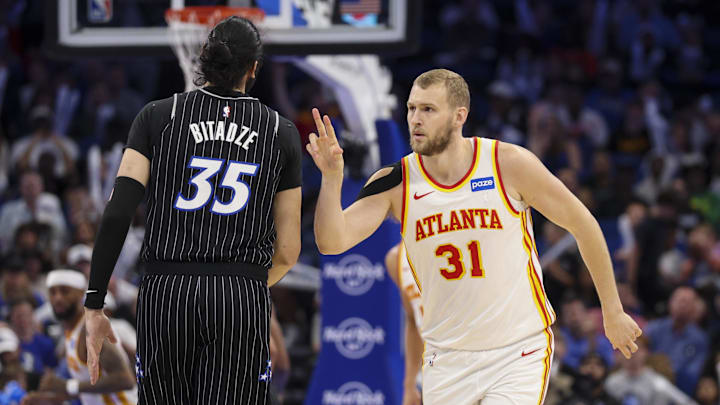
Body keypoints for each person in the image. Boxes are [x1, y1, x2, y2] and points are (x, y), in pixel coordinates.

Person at [306, 68, 641, 404]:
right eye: (411, 108)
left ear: (458, 116)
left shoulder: (507, 163)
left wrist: (612, 310)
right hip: (446, 357)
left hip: (517, 350)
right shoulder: (395, 182)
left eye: (428, 109)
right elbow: (332, 242)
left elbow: (584, 224)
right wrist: (332, 179)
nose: (415, 119)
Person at [82, 16, 302, 405]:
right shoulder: (279, 132)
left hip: (168, 289)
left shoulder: (157, 116)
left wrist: (95, 303)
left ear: (202, 56)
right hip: (240, 289)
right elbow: (288, 251)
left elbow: (117, 213)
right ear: (254, 68)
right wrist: (241, 286)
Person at [25, 269, 136, 404]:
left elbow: (125, 380)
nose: (58, 298)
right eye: (53, 292)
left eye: (65, 291)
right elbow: (88, 390)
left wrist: (67, 386)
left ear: (80, 294)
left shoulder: (91, 330)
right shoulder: (71, 330)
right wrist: (46, 399)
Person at [385, 242, 423, 405]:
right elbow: (413, 321)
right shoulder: (396, 258)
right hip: (437, 366)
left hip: (484, 359)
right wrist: (409, 385)